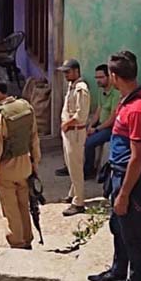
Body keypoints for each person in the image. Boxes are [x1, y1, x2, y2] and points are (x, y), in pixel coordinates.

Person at [88, 51, 141, 281]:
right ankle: (117, 272)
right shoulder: (128, 99)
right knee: (118, 227)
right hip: (118, 173)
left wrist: (125, 194)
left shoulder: (138, 108)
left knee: (132, 233)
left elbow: (137, 157)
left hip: (131, 179)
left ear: (114, 76)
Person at [0, 77, 41, 249]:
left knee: (11, 210)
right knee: (24, 204)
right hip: (25, 166)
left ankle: (18, 243)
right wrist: (35, 163)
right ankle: (28, 239)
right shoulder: (25, 107)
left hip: (6, 170)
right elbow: (34, 138)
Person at [55, 59, 90, 217]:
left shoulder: (81, 89)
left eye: (67, 72)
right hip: (69, 131)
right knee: (71, 165)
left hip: (75, 131)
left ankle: (79, 202)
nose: (65, 75)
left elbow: (81, 115)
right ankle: (73, 193)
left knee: (75, 166)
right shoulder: (72, 86)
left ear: (76, 71)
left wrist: (67, 123)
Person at [84, 64, 121, 180]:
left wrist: (96, 129)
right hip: (100, 125)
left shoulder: (116, 93)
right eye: (97, 78)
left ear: (109, 77)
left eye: (101, 77)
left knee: (89, 143)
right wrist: (90, 126)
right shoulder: (101, 91)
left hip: (110, 128)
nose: (98, 80)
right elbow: (98, 111)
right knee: (80, 133)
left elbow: (112, 118)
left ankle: (89, 170)